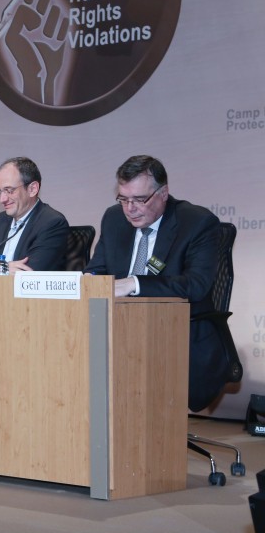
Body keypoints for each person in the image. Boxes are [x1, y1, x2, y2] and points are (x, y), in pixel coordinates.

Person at [84, 155, 230, 411]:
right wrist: (88, 281)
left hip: (174, 334)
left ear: (163, 193)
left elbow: (196, 285)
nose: (130, 208)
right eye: (123, 199)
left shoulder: (196, 223)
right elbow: (96, 271)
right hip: (117, 330)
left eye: (140, 199)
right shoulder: (114, 218)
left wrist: (134, 283)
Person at [0, 157, 69, 274]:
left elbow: (29, 274)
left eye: (9, 190)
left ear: (32, 189)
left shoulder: (51, 222)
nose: (2, 199)